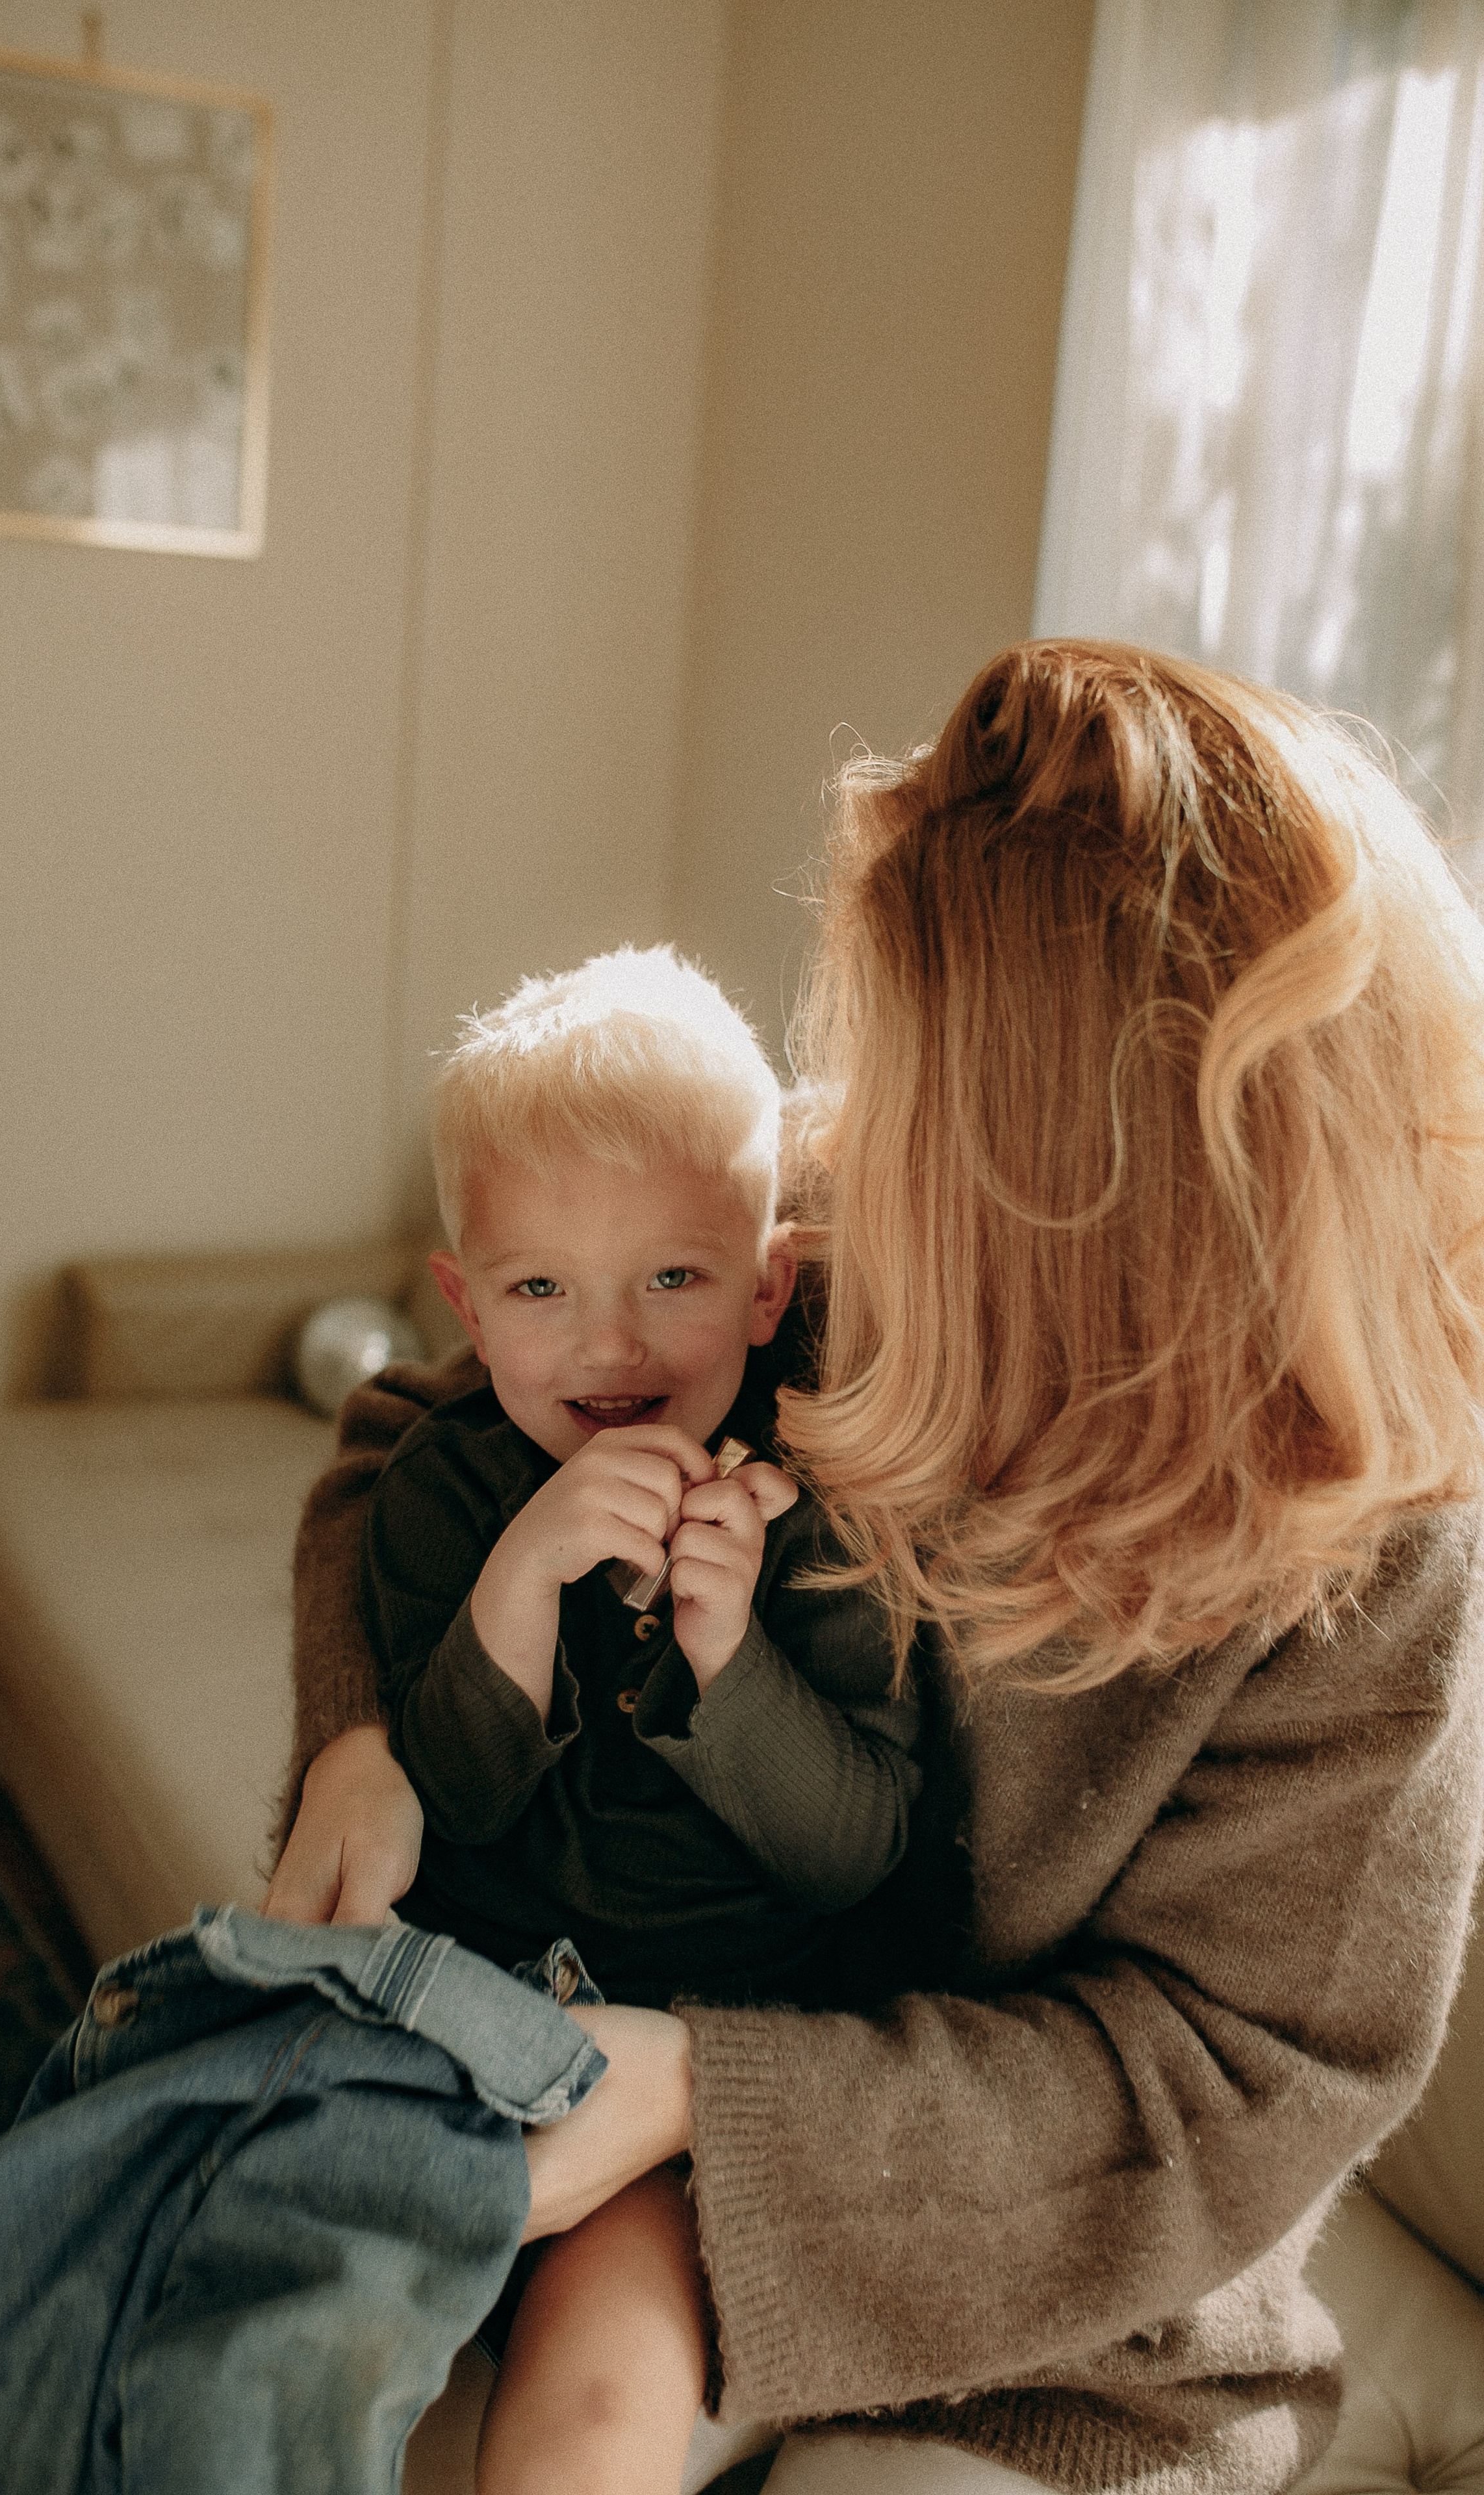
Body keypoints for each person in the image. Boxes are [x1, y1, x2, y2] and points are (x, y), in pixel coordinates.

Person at [267, 642, 1484, 2494]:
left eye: (901, 1098)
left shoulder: (1375, 1552)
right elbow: (400, 1445)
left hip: (1070, 2307)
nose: (849, 1138)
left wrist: (706, 2094)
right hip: (656, 2128)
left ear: (1095, 1187)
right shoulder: (841, 1268)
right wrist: (363, 1733)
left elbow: (1230, 2084)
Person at [350, 945, 919, 2495]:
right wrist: (519, 1581)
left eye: (671, 1279)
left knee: (594, 2414)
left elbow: (852, 1857)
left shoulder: (813, 1525)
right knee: (226, 2268)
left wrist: (729, 1657)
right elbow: (450, 1804)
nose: (606, 1348)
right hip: (453, 2018)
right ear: (467, 1306)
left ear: (766, 1283)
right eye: (541, 1289)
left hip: (699, 2065)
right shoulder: (444, 1494)